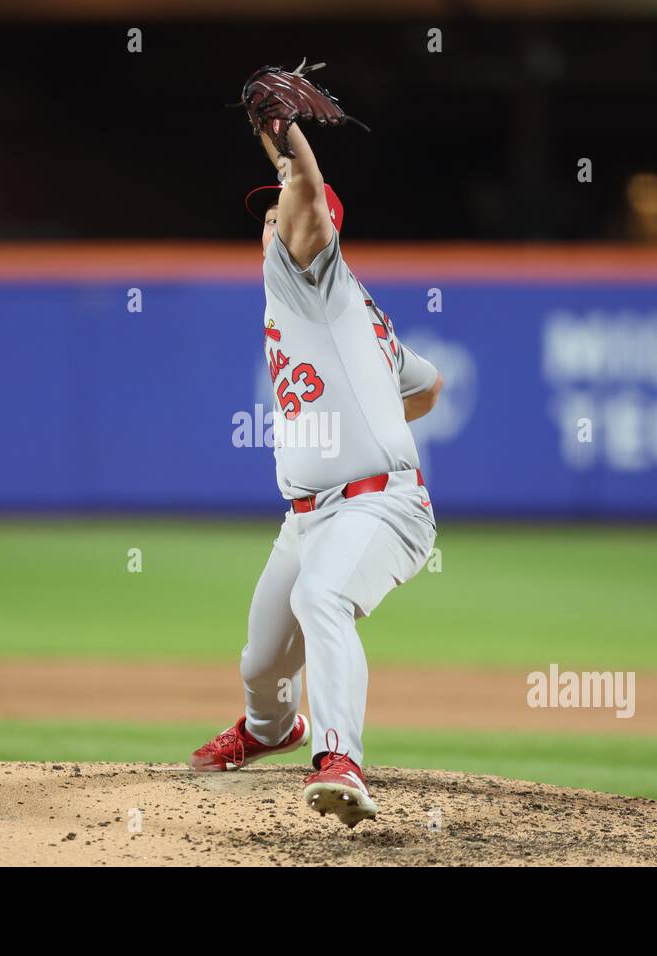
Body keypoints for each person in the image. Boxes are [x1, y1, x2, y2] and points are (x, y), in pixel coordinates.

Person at [189, 69, 443, 828]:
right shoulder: (351, 308)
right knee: (263, 661)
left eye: (276, 214)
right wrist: (375, 408)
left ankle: (340, 758)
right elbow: (427, 387)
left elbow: (302, 183)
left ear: (312, 229)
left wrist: (281, 133)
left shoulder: (309, 268)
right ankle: (273, 728)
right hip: (309, 517)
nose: (266, 222)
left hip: (380, 505)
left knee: (321, 598)